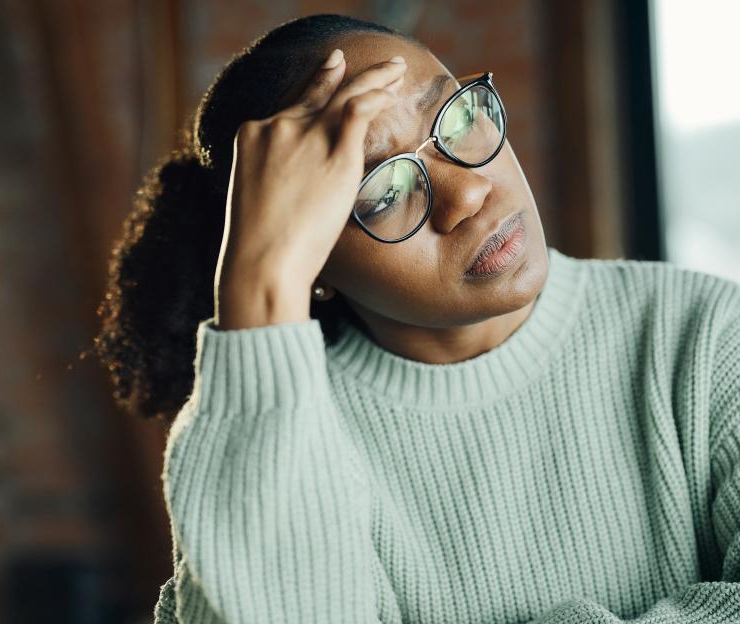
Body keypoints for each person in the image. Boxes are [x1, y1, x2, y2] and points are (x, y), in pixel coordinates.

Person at [90, 13, 740, 623]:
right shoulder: (266, 443)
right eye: (385, 191)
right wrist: (260, 287)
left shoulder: (704, 335)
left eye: (457, 120)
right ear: (312, 260)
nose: (470, 192)